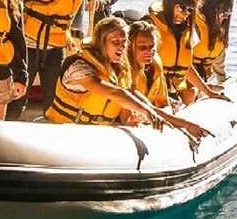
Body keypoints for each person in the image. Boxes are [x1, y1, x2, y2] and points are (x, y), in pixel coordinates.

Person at [45, 17, 212, 140]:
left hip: (96, 134)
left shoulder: (118, 71)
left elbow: (143, 102)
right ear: (102, 43)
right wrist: (146, 112)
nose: (121, 46)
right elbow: (114, 93)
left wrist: (185, 124)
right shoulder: (79, 67)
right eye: (115, 41)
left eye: (124, 42)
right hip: (66, 132)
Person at [146, 0, 227, 106]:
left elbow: (185, 66)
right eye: (181, 8)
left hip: (174, 88)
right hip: (153, 88)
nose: (185, 14)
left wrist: (207, 91)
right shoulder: (151, 27)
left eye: (189, 10)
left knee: (190, 93)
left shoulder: (186, 31)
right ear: (170, 3)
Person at [193, 0, 234, 83]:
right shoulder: (195, 26)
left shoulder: (220, 32)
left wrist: (222, 81)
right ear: (211, 9)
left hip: (206, 78)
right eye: (223, 12)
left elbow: (218, 63)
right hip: (189, 77)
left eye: (228, 13)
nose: (225, 17)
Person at [127, 20, 169, 109]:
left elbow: (163, 103)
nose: (149, 52)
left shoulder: (155, 66)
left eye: (152, 47)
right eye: (142, 47)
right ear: (129, 46)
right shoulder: (123, 71)